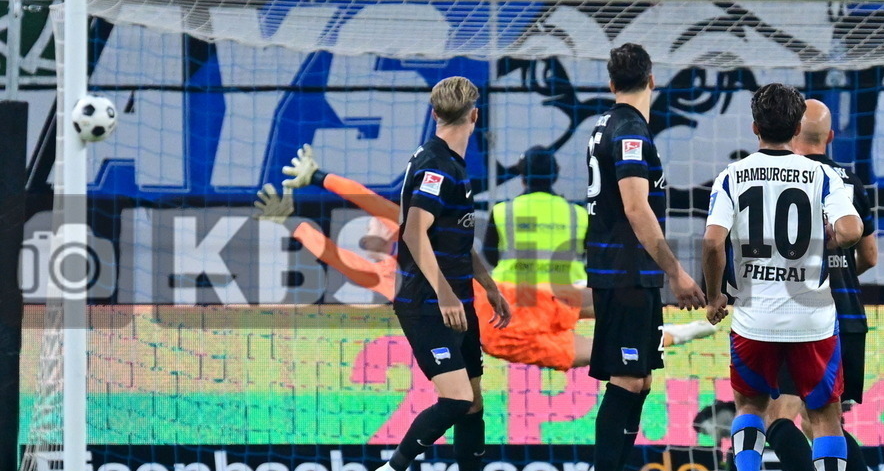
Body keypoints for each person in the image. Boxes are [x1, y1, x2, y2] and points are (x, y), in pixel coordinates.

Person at [269, 146, 715, 370]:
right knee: (609, 343)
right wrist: (298, 216)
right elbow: (343, 253)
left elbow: (364, 223)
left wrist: (309, 200)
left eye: (379, 227)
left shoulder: (416, 238)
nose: (378, 227)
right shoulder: (392, 271)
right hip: (518, 308)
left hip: (503, 311)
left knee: (609, 336)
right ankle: (677, 325)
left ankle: (675, 319)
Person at [344, 76, 512, 471]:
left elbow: (454, 237)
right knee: (455, 398)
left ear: (434, 112)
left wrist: (488, 284)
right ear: (474, 116)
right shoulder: (437, 166)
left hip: (456, 298)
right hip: (427, 301)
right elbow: (415, 232)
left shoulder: (453, 164)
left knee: (473, 401)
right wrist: (443, 292)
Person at [703, 83, 863, 471]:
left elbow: (713, 242)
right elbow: (852, 229)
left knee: (751, 406)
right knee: (826, 417)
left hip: (753, 318)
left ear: (755, 128)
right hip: (812, 319)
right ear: (797, 129)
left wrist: (716, 297)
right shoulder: (821, 177)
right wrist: (830, 240)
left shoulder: (733, 176)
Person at [584, 43, 706, 471]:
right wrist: (675, 271)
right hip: (627, 274)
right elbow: (637, 208)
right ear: (651, 80)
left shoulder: (602, 127)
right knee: (628, 379)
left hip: (622, 272)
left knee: (641, 381)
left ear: (612, 83)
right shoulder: (631, 132)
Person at [764, 100, 884, 471]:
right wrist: (835, 272)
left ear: (788, 131)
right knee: (824, 419)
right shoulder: (851, 181)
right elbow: (871, 256)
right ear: (831, 137)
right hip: (850, 313)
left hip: (806, 312)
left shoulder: (785, 178)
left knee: (780, 415)